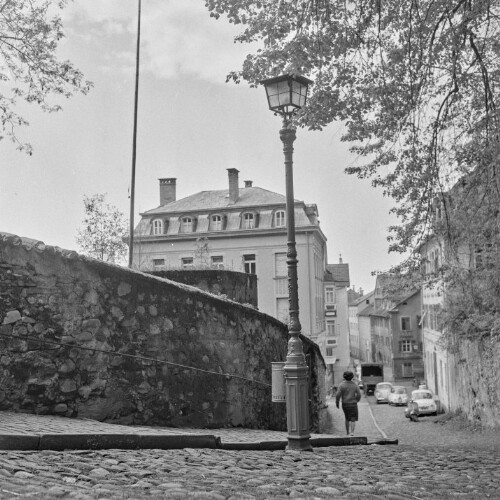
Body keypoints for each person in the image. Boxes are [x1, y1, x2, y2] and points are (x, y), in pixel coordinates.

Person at [335, 370, 362, 436]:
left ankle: (347, 432)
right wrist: (357, 400)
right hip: (353, 404)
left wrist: (337, 402)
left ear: (344, 377)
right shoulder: (355, 385)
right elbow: (359, 394)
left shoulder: (341, 385)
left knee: (347, 418)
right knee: (353, 419)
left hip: (345, 404)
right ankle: (352, 432)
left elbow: (338, 394)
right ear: (352, 377)